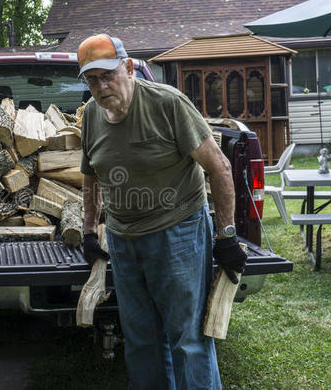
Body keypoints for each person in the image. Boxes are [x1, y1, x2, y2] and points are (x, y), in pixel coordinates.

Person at [78, 34, 247, 390]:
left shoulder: (168, 104)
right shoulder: (91, 115)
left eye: (107, 75)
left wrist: (226, 235)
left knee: (187, 339)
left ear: (128, 68)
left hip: (178, 234)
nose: (101, 86)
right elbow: (90, 175)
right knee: (141, 342)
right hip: (124, 241)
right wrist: (90, 230)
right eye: (92, 79)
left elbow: (219, 166)